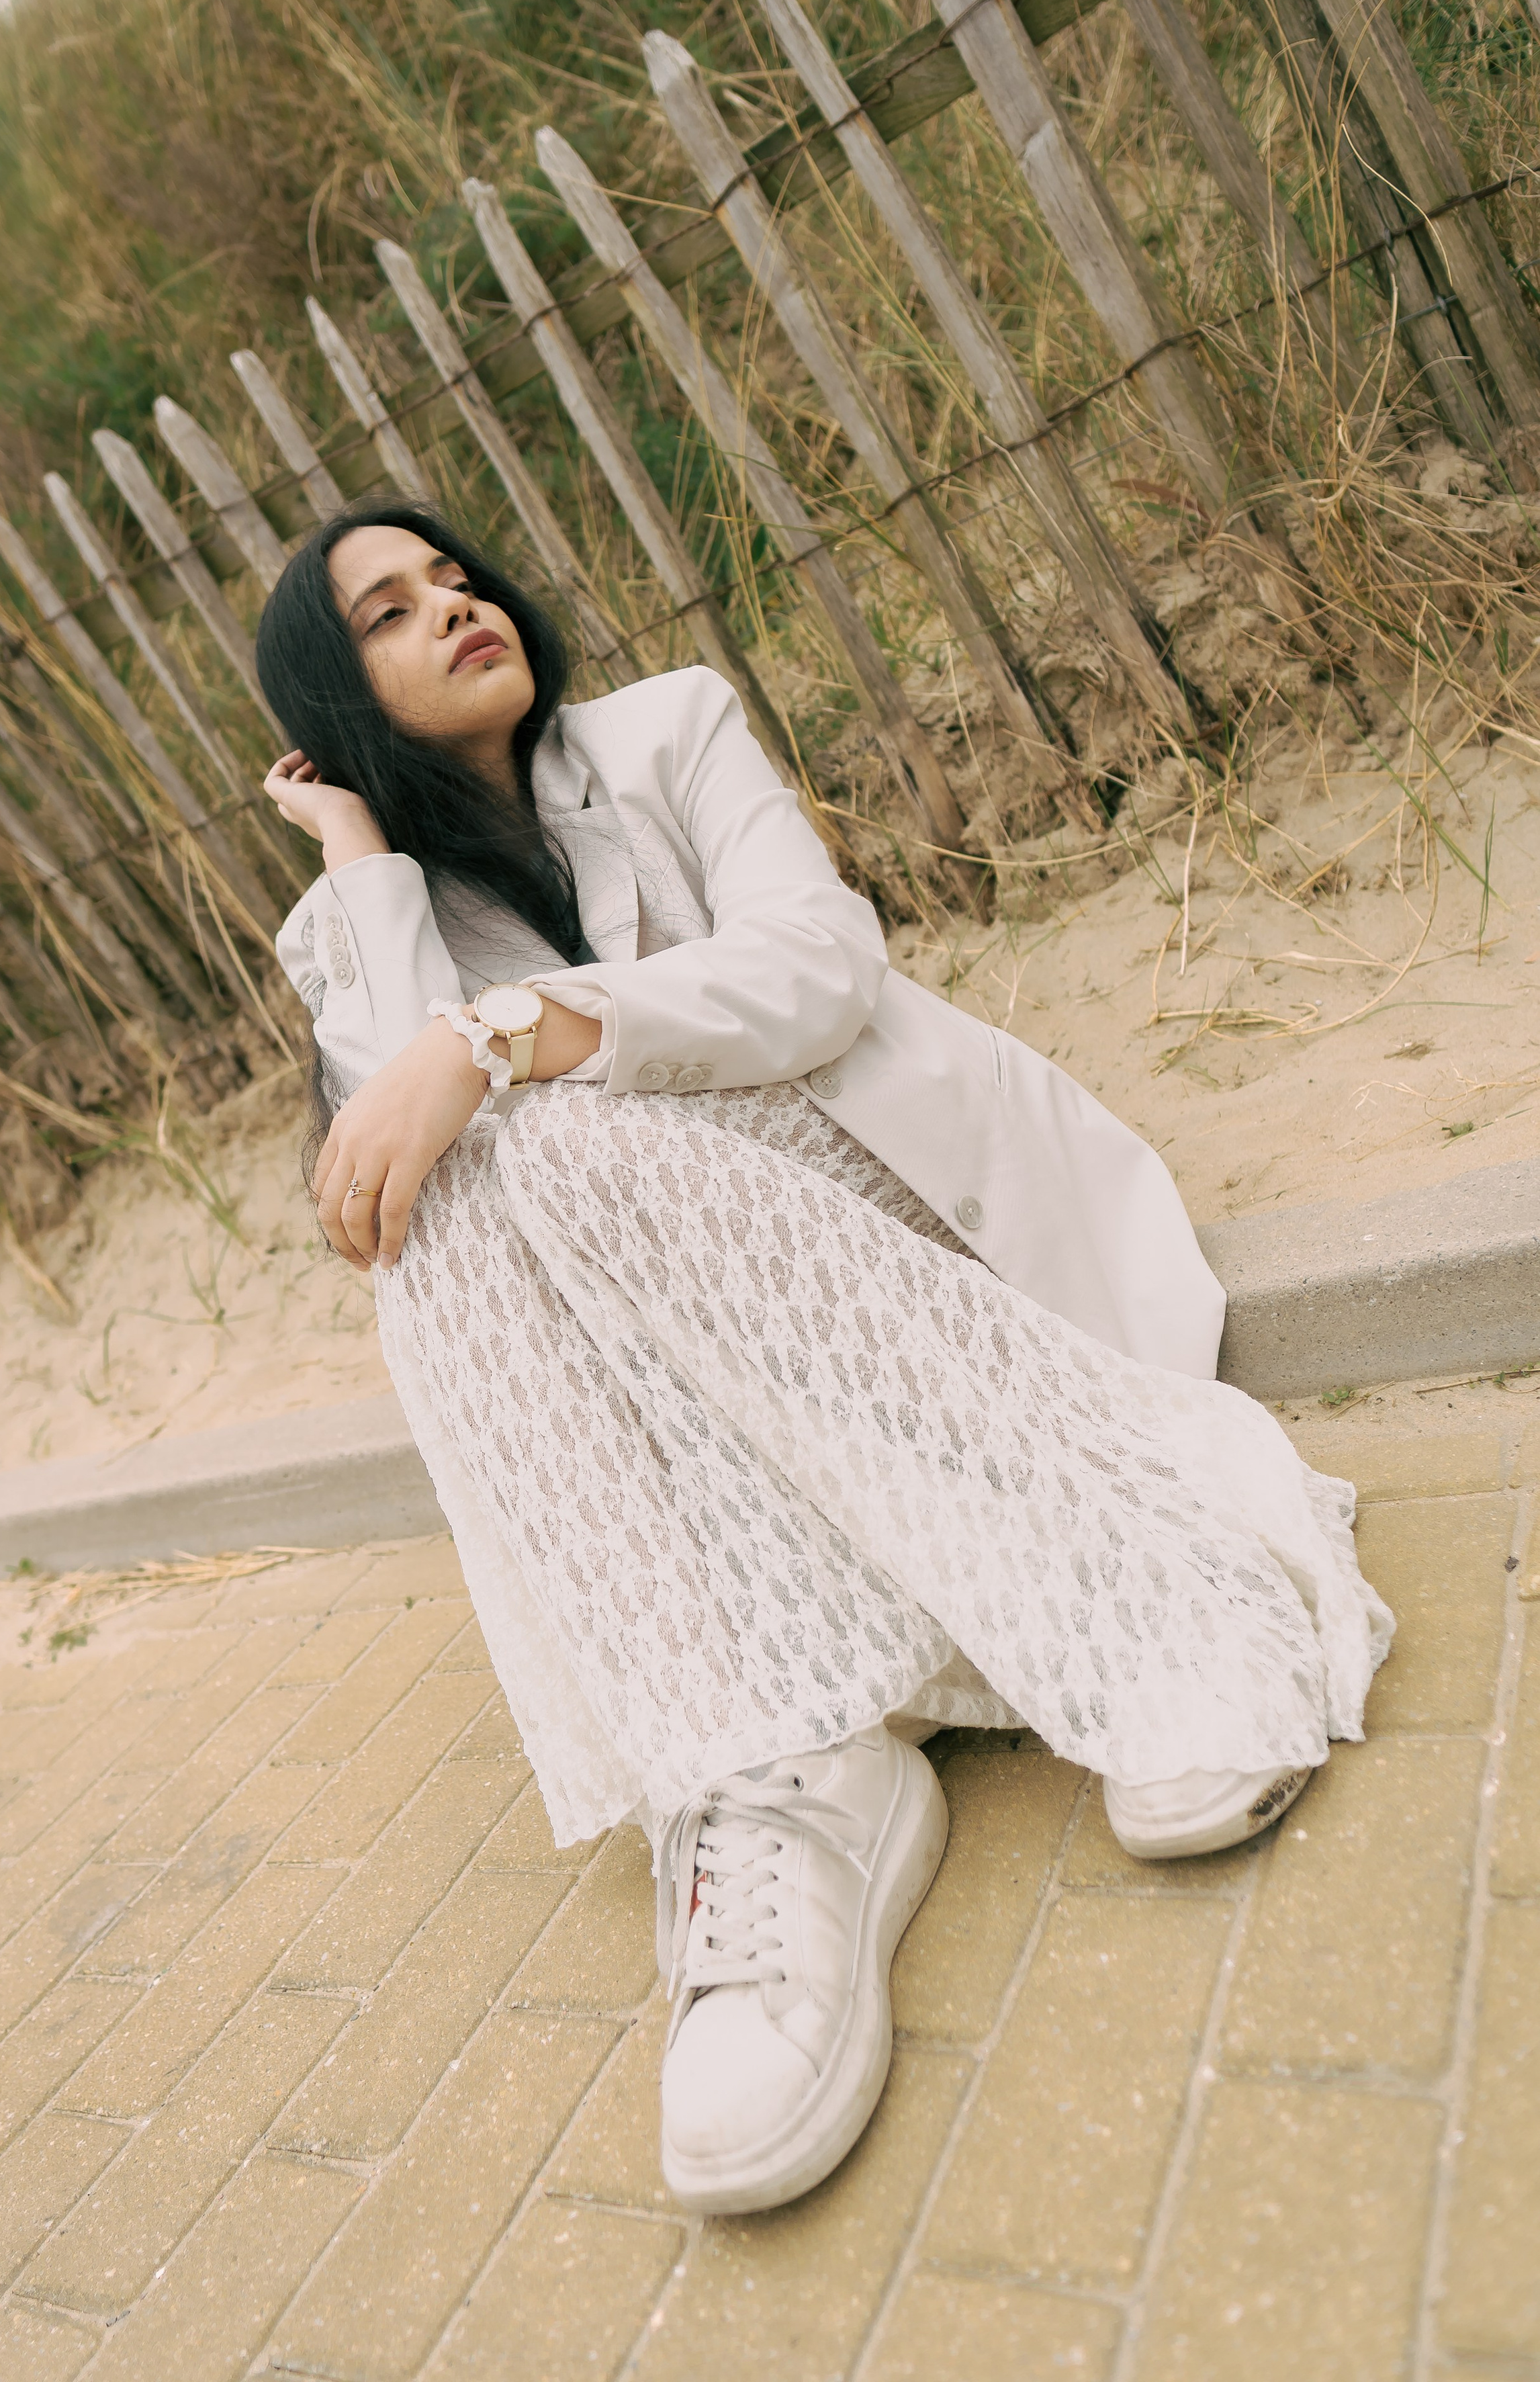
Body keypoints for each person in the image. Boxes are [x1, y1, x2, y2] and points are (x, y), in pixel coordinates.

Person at [257, 501, 1391, 2218]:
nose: (456, 606)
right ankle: (766, 1766)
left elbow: (813, 972)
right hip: (667, 1292)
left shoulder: (668, 728)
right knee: (463, 1192)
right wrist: (360, 850)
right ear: (332, 703)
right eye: (389, 615)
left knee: (532, 1135)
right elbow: (396, 1168)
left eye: (457, 578)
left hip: (889, 1208)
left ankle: (1124, 1584)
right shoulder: (357, 909)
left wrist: (497, 1036)